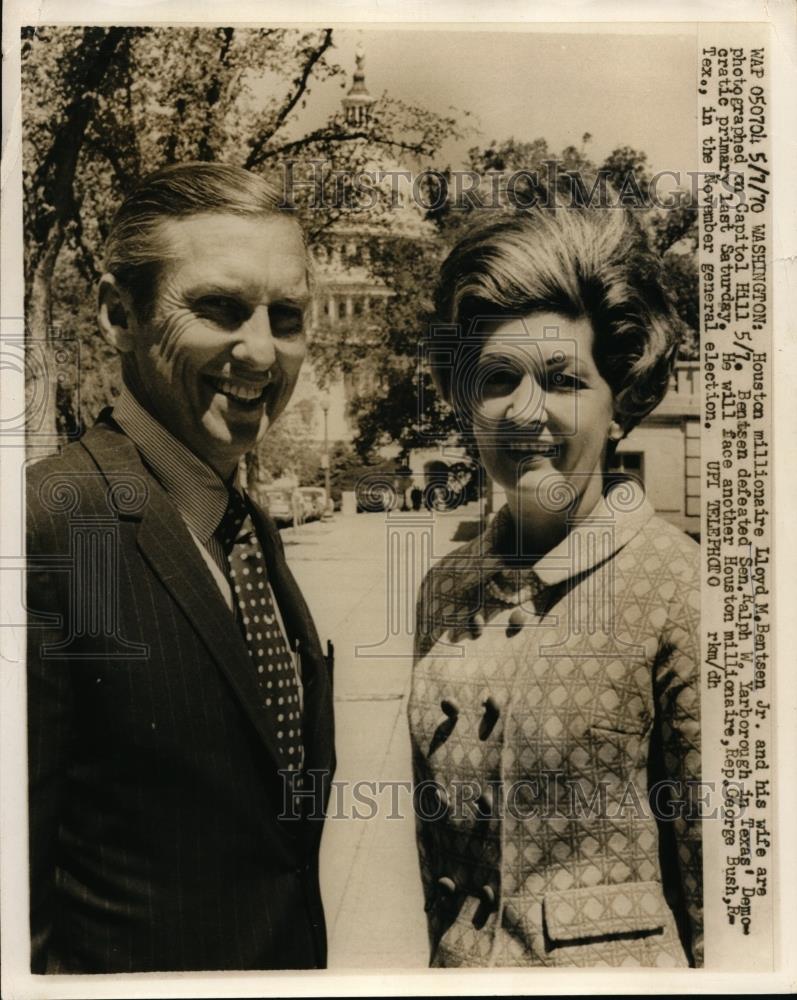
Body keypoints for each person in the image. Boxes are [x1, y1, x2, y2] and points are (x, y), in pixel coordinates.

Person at [26, 163, 335, 973]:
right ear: (116, 314)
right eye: (220, 309)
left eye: (288, 315)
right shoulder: (54, 529)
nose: (261, 352)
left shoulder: (249, 530)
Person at [409, 196, 702, 968]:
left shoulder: (680, 587)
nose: (524, 412)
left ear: (620, 403)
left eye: (564, 380)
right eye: (499, 377)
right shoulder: (441, 590)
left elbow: (725, 888)